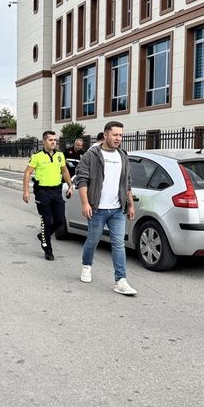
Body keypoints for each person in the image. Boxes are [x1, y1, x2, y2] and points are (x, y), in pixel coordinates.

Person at [74, 121, 137, 296]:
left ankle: (120, 280)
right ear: (105, 135)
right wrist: (85, 203)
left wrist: (130, 204)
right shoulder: (92, 155)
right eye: (115, 135)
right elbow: (82, 179)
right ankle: (87, 265)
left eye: (121, 135)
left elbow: (127, 182)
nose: (118, 138)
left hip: (117, 209)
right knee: (93, 240)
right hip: (97, 209)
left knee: (118, 244)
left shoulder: (122, 155)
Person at [22, 131, 74, 261]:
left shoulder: (60, 155)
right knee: (46, 221)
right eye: (50, 140)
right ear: (44, 141)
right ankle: (48, 250)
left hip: (57, 191)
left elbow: (64, 171)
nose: (53, 142)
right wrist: (26, 191)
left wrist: (70, 186)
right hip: (42, 192)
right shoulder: (37, 156)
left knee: (60, 220)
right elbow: (28, 173)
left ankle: (44, 235)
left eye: (55, 140)